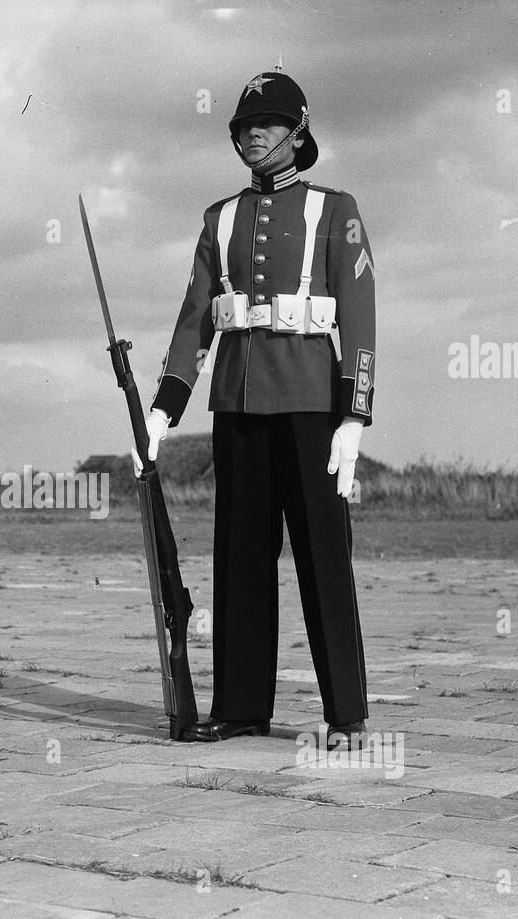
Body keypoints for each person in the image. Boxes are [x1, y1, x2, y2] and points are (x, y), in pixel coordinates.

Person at [140, 67, 375, 749]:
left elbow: (358, 316)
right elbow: (195, 321)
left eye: (266, 124)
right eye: (243, 126)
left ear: (299, 131)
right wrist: (163, 410)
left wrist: (354, 416)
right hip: (238, 403)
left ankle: (347, 713)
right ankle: (241, 705)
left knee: (323, 558)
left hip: (309, 402)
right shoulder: (219, 219)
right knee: (239, 558)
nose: (251, 135)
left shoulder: (336, 209)